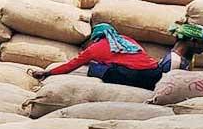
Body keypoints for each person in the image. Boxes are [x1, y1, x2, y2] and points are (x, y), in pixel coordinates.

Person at [37, 22, 168, 88]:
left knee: (95, 67)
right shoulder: (128, 40)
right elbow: (142, 56)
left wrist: (48, 73)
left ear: (96, 37)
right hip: (154, 74)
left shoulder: (95, 48)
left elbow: (71, 65)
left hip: (132, 76)